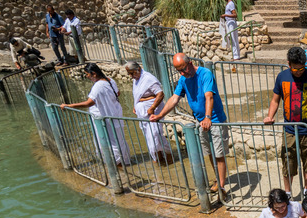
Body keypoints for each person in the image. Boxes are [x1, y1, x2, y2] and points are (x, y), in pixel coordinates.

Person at [150, 53, 230, 196]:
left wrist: (207, 117)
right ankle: (218, 180)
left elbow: (209, 96)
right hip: (201, 122)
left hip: (215, 120)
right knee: (210, 153)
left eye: (183, 69)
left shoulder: (205, 73)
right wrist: (160, 115)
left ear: (190, 63)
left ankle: (222, 187)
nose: (182, 73)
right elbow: (174, 99)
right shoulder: (183, 79)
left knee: (219, 154)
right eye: (178, 70)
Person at [264, 47, 307, 197]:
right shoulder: (282, 77)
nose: (299, 71)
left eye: (301, 68)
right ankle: (288, 192)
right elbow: (275, 100)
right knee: (288, 161)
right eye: (295, 68)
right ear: (288, 64)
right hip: (289, 129)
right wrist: (269, 116)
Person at [60, 63, 131, 167]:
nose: (87, 77)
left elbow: (89, 102)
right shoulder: (110, 80)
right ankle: (124, 163)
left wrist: (70, 105)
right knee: (119, 139)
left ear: (93, 73)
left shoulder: (97, 86)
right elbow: (118, 93)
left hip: (105, 118)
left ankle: (116, 166)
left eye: (87, 74)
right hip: (115, 114)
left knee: (110, 141)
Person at [125, 61, 172, 164]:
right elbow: (138, 94)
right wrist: (135, 105)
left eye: (132, 73)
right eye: (129, 73)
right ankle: (158, 158)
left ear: (138, 70)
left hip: (152, 113)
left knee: (156, 134)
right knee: (149, 136)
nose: (130, 76)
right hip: (142, 113)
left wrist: (152, 107)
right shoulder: (137, 79)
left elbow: (160, 94)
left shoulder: (148, 79)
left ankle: (169, 157)